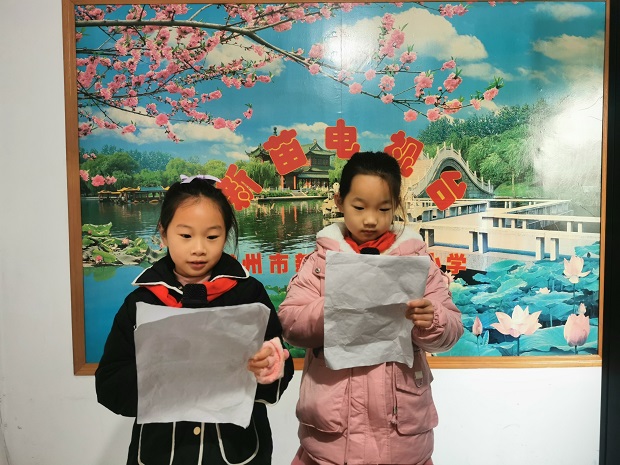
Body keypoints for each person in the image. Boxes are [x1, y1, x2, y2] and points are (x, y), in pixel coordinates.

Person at [278, 152, 464, 465]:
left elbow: (452, 331)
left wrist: (432, 318)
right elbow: (290, 323)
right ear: (339, 201)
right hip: (330, 441)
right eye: (359, 207)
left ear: (397, 205)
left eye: (383, 209)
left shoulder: (418, 262)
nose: (370, 219)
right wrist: (332, 307)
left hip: (403, 439)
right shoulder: (319, 264)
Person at [95, 174, 294, 465]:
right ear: (164, 233)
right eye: (186, 236)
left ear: (226, 234)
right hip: (162, 453)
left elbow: (279, 374)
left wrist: (268, 367)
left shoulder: (249, 295)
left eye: (212, 237)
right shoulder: (141, 302)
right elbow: (109, 387)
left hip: (235, 451)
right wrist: (157, 370)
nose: (199, 248)